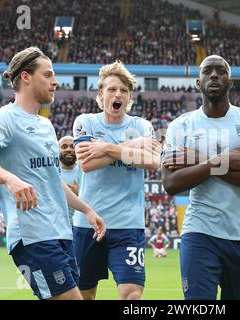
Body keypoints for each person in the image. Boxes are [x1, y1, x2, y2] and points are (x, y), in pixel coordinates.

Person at [0, 47, 106, 300]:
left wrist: (87, 210)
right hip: (32, 236)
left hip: (61, 234)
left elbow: (54, 182)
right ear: (25, 77)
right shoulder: (3, 119)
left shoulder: (45, 125)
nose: (55, 82)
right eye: (48, 75)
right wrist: (10, 179)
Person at [161, 55, 240, 300]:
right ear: (198, 82)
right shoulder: (180, 126)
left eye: (220, 71)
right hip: (200, 232)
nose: (213, 75)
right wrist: (222, 161)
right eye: (207, 71)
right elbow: (170, 183)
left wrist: (201, 160)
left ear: (230, 82)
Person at [72, 60, 161, 300]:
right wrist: (130, 146)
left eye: (123, 90)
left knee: (132, 296)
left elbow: (152, 161)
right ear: (101, 95)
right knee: (84, 295)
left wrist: (107, 148)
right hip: (87, 225)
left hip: (128, 225)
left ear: (130, 97)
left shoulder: (142, 125)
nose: (118, 94)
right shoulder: (85, 122)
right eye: (112, 89)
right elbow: (87, 163)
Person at [59, 136, 80, 223]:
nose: (69, 149)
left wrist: (79, 194)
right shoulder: (52, 172)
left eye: (72, 146)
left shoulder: (85, 171)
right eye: (64, 147)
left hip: (79, 225)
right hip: (59, 225)